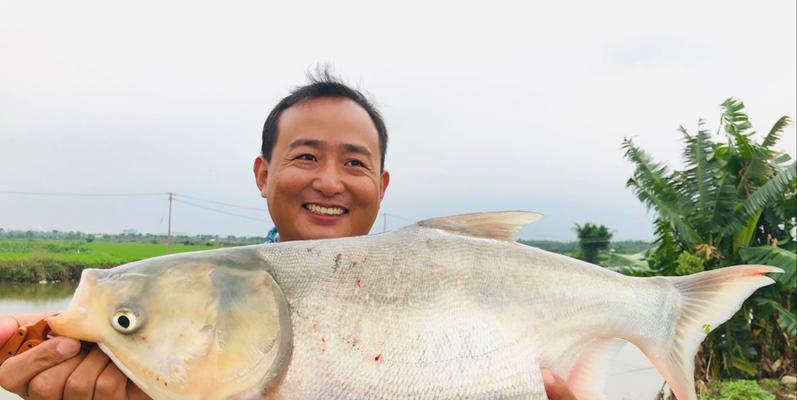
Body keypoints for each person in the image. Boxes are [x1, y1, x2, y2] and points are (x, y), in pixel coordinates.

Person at [0, 71, 577, 400]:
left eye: (354, 163)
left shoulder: (451, 288)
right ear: (263, 173)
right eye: (305, 156)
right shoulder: (198, 309)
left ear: (382, 183)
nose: (329, 182)